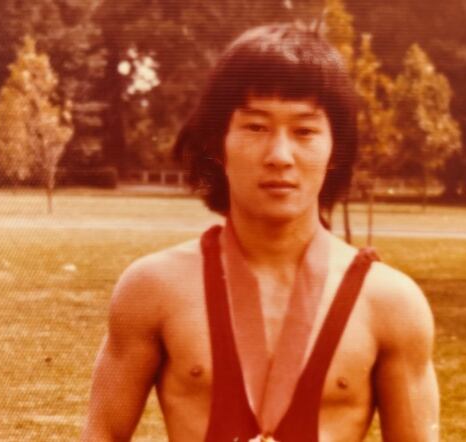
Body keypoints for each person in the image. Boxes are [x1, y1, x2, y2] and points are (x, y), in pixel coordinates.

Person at [81, 23, 439, 442]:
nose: (280, 156)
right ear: (218, 143)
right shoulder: (153, 288)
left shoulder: (391, 303)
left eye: (304, 131)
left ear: (335, 149)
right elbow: (102, 433)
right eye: (255, 127)